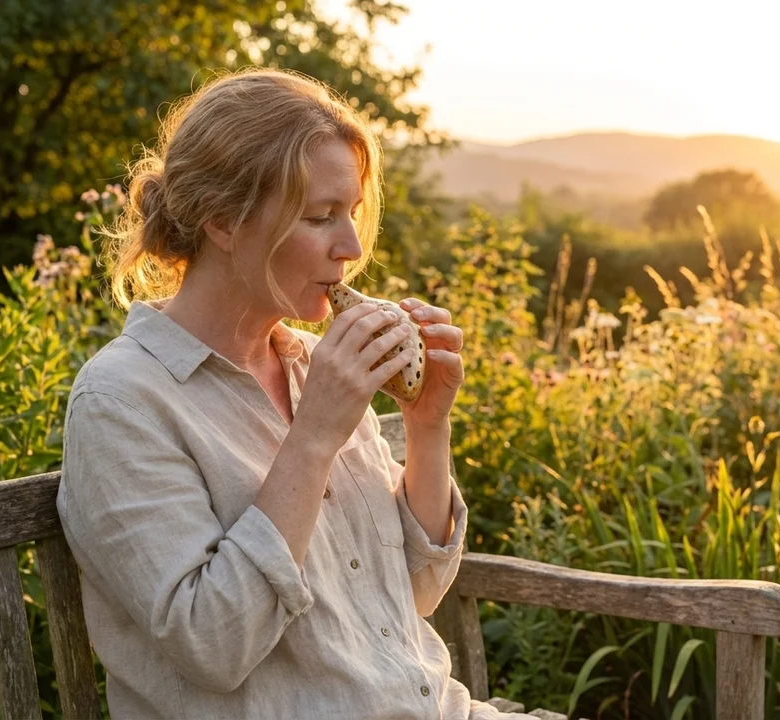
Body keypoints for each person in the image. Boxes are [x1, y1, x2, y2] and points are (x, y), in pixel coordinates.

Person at [56, 67, 538, 719]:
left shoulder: (313, 363)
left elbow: (413, 595)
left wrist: (427, 427)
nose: (353, 247)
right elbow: (212, 645)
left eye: (353, 213)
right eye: (321, 217)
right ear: (224, 219)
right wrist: (312, 439)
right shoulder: (122, 400)